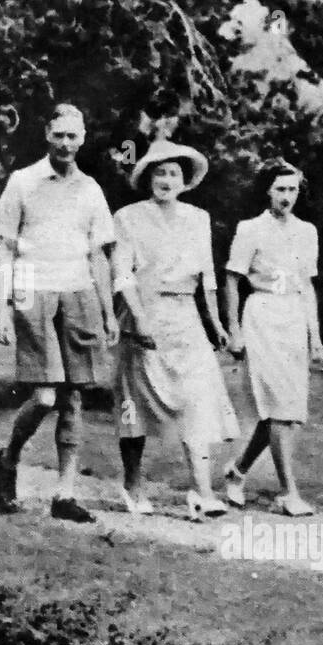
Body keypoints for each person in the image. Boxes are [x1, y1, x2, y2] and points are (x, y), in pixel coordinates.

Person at [0, 103, 118, 523]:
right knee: (44, 396)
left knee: (74, 397)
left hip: (78, 294)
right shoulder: (23, 182)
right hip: (34, 292)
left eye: (73, 136)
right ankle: (8, 460)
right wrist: (2, 310)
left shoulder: (91, 189)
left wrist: (108, 312)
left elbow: (98, 255)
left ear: (83, 139)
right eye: (59, 135)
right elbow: (4, 249)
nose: (66, 143)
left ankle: (64, 495)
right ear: (47, 134)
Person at [112, 139, 239, 517]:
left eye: (174, 173)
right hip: (143, 315)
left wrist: (215, 322)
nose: (166, 180)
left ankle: (201, 490)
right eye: (159, 172)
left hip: (185, 319)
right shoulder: (128, 217)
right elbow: (122, 275)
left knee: (197, 400)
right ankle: (133, 485)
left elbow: (208, 277)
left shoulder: (198, 218)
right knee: (134, 403)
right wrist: (139, 318)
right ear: (148, 177)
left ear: (185, 181)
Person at [223, 158, 323, 516]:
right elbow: (233, 279)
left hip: (293, 318)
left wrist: (316, 338)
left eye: (292, 189)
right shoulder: (250, 229)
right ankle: (289, 492)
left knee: (287, 412)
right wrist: (234, 331)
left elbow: (307, 286)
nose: (287, 196)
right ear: (267, 190)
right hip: (262, 317)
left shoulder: (307, 231)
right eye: (280, 189)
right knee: (279, 408)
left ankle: (236, 473)